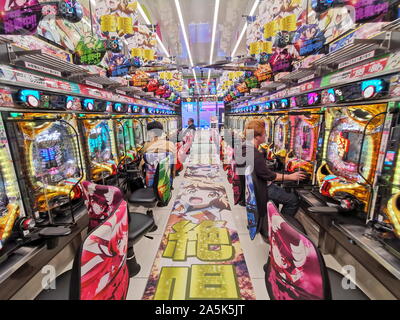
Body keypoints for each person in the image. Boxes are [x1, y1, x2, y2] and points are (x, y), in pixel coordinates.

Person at [240, 119, 306, 218]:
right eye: (264, 134)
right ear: (257, 137)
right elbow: (269, 176)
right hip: (262, 187)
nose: (266, 136)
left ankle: (272, 218)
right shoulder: (255, 154)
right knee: (293, 200)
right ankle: (280, 225)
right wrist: (290, 177)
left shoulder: (244, 147)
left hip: (253, 188)